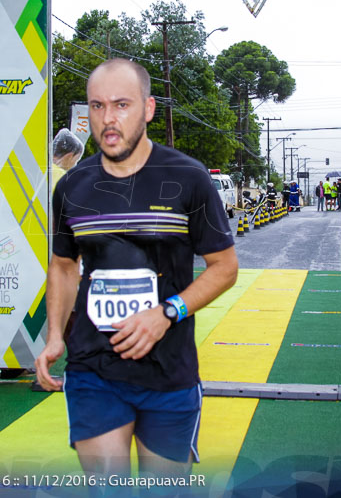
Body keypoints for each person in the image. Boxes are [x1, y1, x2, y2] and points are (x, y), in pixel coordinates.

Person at [34, 58, 238, 480]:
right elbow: (63, 265)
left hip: (169, 373)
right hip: (94, 368)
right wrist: (55, 334)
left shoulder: (189, 178)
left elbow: (224, 267)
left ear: (147, 108)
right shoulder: (72, 186)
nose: (108, 119)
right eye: (96, 106)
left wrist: (167, 314)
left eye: (121, 105)